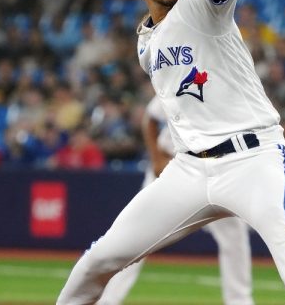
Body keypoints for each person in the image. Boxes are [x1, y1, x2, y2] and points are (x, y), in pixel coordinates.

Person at [57, 0, 285, 304]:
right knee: (100, 257)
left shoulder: (200, 5)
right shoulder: (146, 41)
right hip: (190, 170)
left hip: (253, 158)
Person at [98, 96, 254, 304]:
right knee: (136, 236)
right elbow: (151, 118)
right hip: (172, 168)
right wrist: (155, 158)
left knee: (234, 236)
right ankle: (107, 301)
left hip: (212, 173)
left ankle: (239, 301)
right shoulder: (181, 81)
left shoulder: (231, 90)